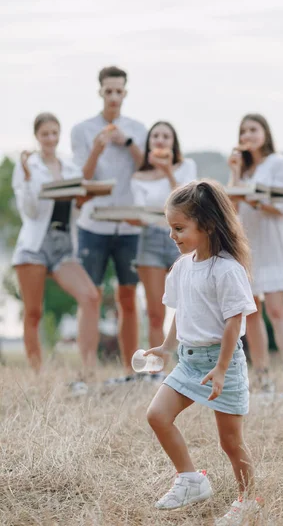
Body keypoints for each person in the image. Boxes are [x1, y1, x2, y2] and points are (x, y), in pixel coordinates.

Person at [143, 180, 261, 524]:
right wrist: (167, 348)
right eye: (170, 228)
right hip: (189, 361)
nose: (172, 236)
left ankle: (248, 500)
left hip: (222, 364)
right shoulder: (182, 267)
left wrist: (223, 368)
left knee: (231, 443)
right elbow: (183, 311)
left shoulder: (227, 270)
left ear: (207, 225)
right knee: (157, 416)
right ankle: (191, 479)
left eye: (179, 228)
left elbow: (233, 323)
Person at [71, 66, 147, 380]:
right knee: (90, 296)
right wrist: (97, 149)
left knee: (128, 296)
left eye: (119, 91)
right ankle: (87, 372)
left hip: (129, 224)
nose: (114, 96)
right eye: (108, 91)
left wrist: (126, 141)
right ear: (100, 92)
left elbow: (146, 169)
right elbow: (82, 179)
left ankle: (131, 371)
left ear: (125, 93)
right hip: (93, 224)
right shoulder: (82, 130)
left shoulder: (138, 128)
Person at [12, 113, 99, 374]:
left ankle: (89, 368)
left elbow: (73, 213)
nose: (50, 138)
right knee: (34, 311)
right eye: (45, 134)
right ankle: (37, 371)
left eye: (54, 133)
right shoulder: (27, 166)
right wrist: (27, 177)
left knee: (91, 297)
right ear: (37, 137)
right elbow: (29, 211)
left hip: (63, 244)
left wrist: (82, 201)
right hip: (34, 245)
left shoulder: (70, 168)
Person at [228, 114, 283, 392]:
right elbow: (231, 211)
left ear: (265, 133)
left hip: (272, 242)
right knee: (252, 311)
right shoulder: (243, 172)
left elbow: (281, 207)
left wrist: (251, 199)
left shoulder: (280, 164)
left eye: (253, 129)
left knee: (276, 307)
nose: (248, 134)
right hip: (249, 244)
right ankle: (261, 372)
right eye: (243, 130)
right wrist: (234, 173)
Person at [131, 121, 196, 380]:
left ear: (173, 142)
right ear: (149, 143)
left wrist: (168, 172)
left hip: (183, 238)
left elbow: (188, 202)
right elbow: (139, 212)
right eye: (155, 136)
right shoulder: (138, 177)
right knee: (156, 310)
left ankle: (189, 367)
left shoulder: (186, 167)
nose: (160, 140)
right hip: (150, 238)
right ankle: (157, 370)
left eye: (165, 136)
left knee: (189, 304)